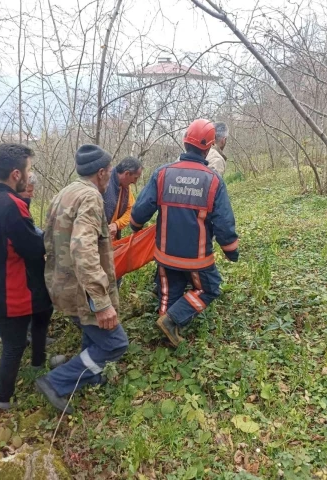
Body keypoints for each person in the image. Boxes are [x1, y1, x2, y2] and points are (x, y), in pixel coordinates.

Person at [36, 144, 129, 414]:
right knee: (115, 343)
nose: (110, 176)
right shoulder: (90, 198)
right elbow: (82, 248)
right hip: (81, 290)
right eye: (110, 171)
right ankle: (57, 381)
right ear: (101, 173)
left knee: (95, 335)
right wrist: (101, 301)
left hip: (61, 283)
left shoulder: (65, 192)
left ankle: (84, 373)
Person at [130, 119, 239, 347]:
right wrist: (230, 249)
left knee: (169, 291)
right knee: (209, 289)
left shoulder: (162, 173)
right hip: (197, 257)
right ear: (209, 147)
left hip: (165, 253)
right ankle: (171, 321)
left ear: (184, 142)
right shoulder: (213, 180)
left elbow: (141, 209)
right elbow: (223, 222)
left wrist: (135, 226)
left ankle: (167, 327)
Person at [0, 143, 52, 410]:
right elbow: (32, 247)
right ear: (16, 174)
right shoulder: (12, 205)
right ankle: (3, 401)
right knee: (14, 346)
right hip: (13, 289)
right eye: (29, 170)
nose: (30, 176)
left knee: (12, 342)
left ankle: (36, 366)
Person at [102, 156, 142, 240]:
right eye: (135, 178)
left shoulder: (126, 188)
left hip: (112, 241)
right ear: (127, 173)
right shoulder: (103, 182)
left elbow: (131, 210)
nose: (135, 182)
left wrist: (116, 224)